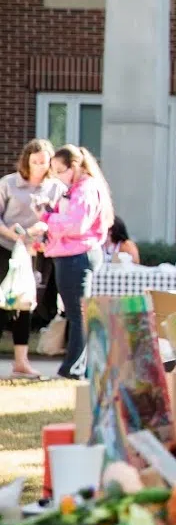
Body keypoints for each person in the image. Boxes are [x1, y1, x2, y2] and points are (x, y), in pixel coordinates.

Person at [36, 145, 114, 379]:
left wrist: (47, 218)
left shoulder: (85, 189)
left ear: (75, 167)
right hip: (75, 255)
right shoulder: (81, 188)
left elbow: (76, 224)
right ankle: (79, 366)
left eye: (61, 170)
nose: (58, 176)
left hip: (76, 257)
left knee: (78, 314)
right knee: (78, 313)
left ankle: (74, 367)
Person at [0, 140, 63, 378]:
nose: (38, 166)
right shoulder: (8, 183)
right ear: (26, 161)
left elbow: (60, 218)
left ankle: (21, 361)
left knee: (26, 305)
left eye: (43, 162)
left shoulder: (55, 188)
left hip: (36, 253)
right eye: (33, 161)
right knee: (2, 301)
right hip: (6, 248)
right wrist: (14, 234)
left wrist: (43, 229)